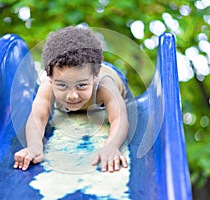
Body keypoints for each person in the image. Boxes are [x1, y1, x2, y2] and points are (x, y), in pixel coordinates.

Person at [13, 26, 130, 172]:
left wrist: (111, 146)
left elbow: (119, 117)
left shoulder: (104, 84)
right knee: (42, 95)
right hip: (78, 73)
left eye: (81, 86)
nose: (72, 95)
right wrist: (34, 146)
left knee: (125, 105)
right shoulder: (48, 84)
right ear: (50, 78)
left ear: (94, 78)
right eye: (62, 86)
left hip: (110, 75)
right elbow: (38, 117)